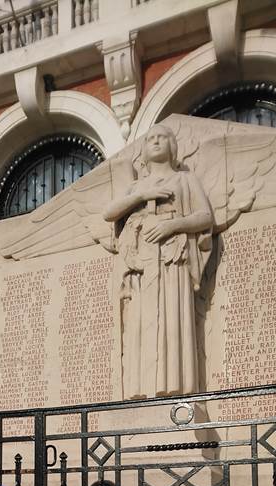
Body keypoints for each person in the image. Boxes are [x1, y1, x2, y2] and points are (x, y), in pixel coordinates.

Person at [103, 123, 213, 399]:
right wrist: (142, 196)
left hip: (172, 260)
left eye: (162, 137)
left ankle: (176, 390)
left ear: (172, 146)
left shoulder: (184, 180)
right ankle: (141, 391)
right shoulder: (137, 186)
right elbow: (109, 213)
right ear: (143, 149)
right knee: (141, 322)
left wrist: (173, 226)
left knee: (172, 320)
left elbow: (205, 217)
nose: (155, 141)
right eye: (150, 138)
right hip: (141, 261)